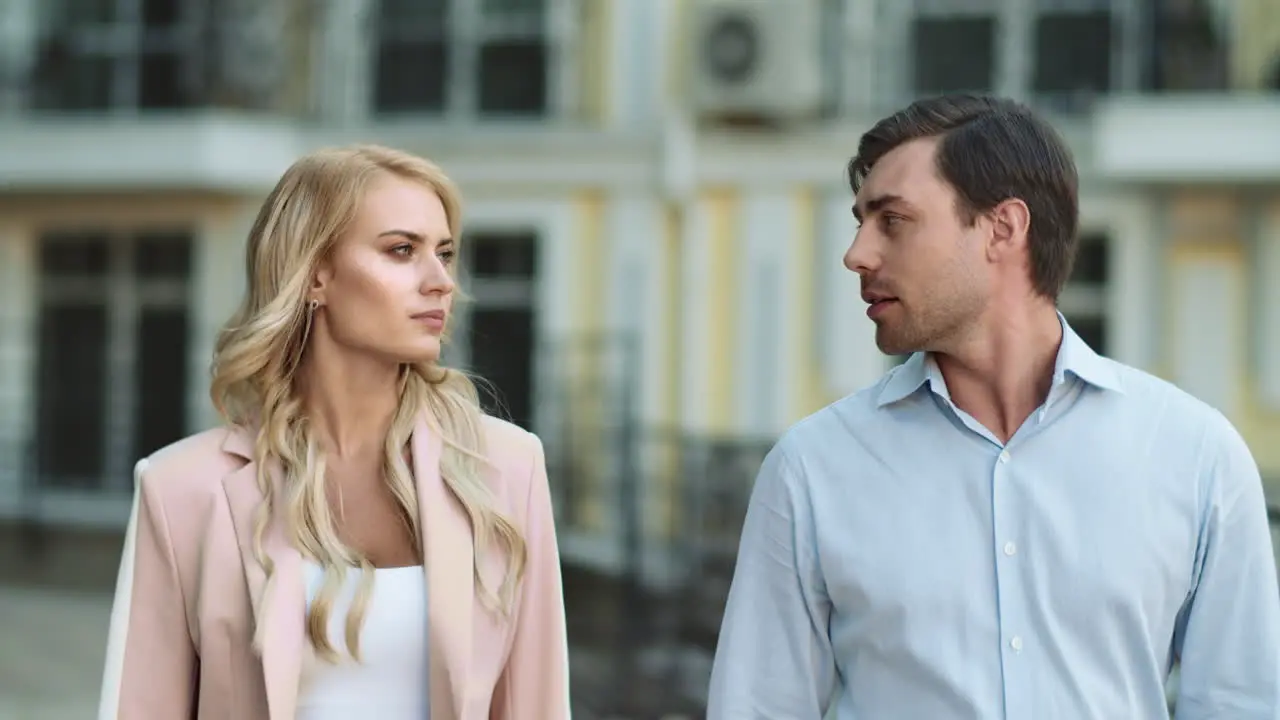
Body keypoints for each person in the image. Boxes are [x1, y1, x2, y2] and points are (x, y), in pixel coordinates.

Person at [706, 95, 1280, 718]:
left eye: (892, 221)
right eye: (860, 222)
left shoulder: (1195, 456)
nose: (857, 254)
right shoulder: (811, 468)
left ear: (1004, 228)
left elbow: (1240, 702)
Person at [97, 145, 571, 719]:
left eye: (444, 254)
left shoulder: (507, 469)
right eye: (402, 251)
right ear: (315, 275)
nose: (441, 281)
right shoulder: (180, 490)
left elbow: (536, 706)